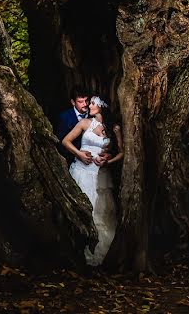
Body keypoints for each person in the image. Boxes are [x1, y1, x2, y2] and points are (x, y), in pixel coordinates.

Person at [62, 95, 123, 266]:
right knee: (86, 208)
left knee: (103, 213)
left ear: (102, 106)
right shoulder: (84, 123)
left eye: (94, 103)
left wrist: (107, 160)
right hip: (83, 171)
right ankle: (82, 253)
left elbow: (121, 152)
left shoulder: (113, 128)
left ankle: (102, 254)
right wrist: (80, 154)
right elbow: (66, 141)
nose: (90, 105)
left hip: (101, 174)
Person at [56, 87, 90, 154]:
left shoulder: (94, 114)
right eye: (80, 102)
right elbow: (60, 142)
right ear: (73, 102)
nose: (85, 104)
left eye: (86, 100)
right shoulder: (64, 117)